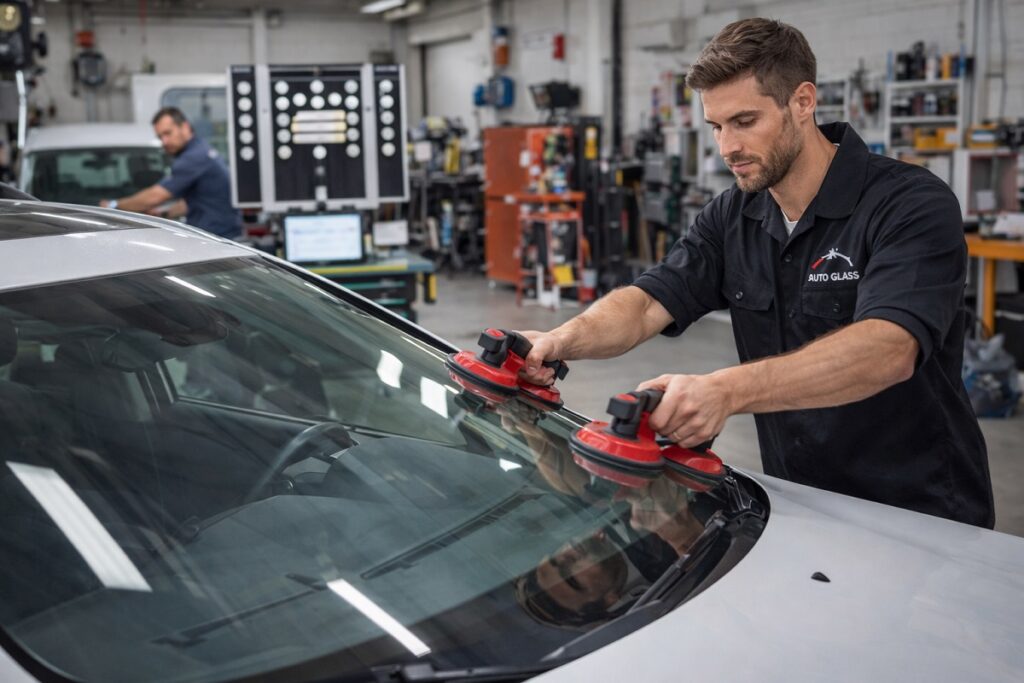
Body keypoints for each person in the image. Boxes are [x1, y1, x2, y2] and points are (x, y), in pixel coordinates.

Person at [520, 18, 994, 528]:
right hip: (798, 505)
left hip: (921, 514)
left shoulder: (909, 204)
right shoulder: (732, 215)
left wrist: (726, 390)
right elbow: (647, 303)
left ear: (803, 102)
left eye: (745, 121)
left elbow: (889, 349)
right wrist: (560, 340)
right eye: (717, 126)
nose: (727, 148)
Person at [101, 107, 241, 240]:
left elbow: (154, 197)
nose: (164, 141)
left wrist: (113, 206)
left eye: (168, 133)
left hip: (217, 239)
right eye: (160, 137)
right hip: (225, 235)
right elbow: (197, 200)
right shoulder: (201, 149)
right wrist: (164, 213)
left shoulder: (193, 157)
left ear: (185, 127)